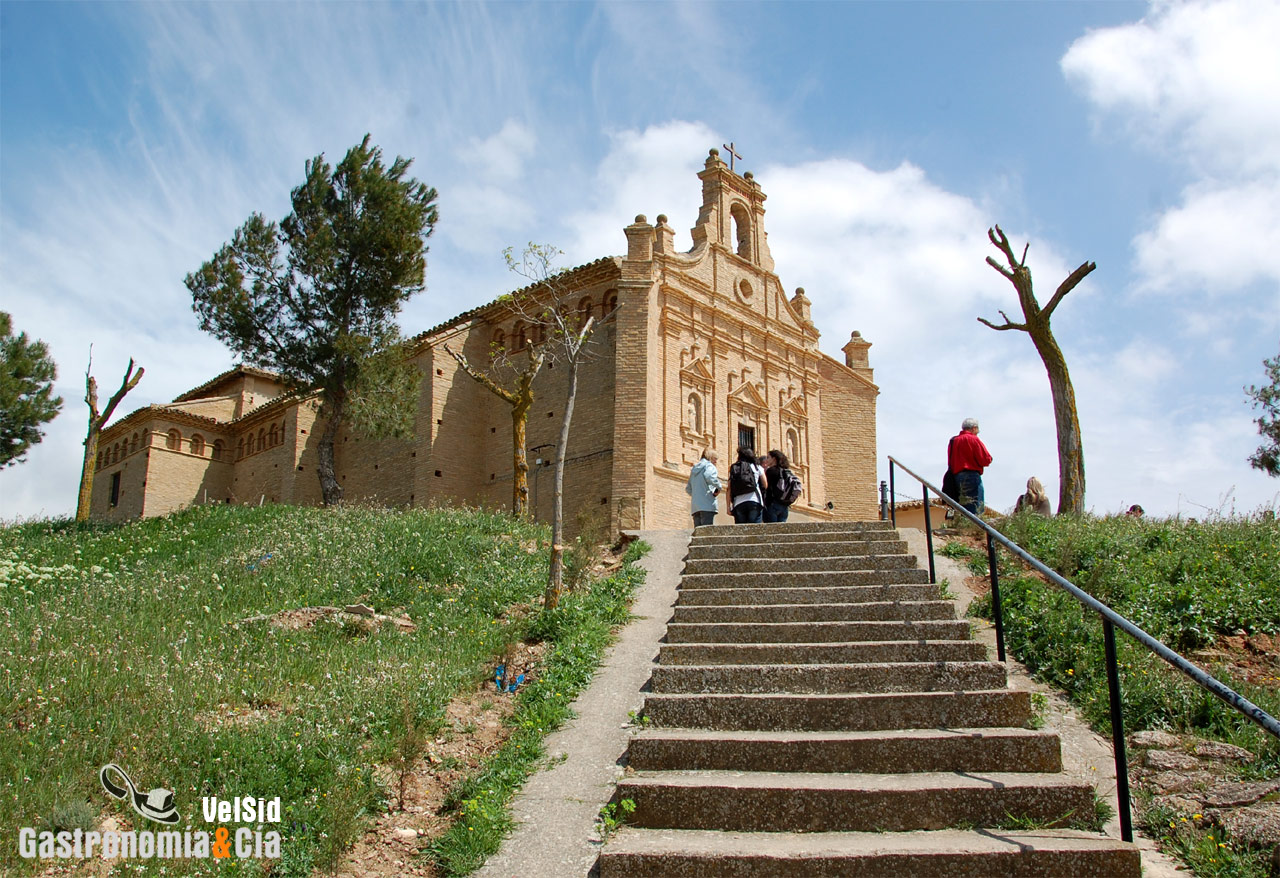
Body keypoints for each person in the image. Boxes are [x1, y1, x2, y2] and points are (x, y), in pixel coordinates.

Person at [947, 417, 992, 515]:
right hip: (971, 475)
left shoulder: (954, 440)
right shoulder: (973, 439)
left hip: (956, 477)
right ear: (974, 428)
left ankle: (964, 521)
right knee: (975, 506)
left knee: (963, 505)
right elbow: (985, 459)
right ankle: (974, 523)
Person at [727, 445, 767, 524]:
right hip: (754, 500)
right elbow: (765, 484)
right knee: (754, 529)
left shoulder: (735, 468)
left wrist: (728, 507)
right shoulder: (757, 467)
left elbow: (729, 489)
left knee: (741, 529)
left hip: (738, 503)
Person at [686, 448, 721, 528]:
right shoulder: (709, 466)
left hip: (695, 507)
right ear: (710, 457)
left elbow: (688, 489)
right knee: (706, 531)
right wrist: (719, 487)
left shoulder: (694, 469)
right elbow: (709, 476)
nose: (716, 462)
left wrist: (697, 494)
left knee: (698, 532)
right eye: (715, 458)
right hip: (707, 505)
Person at [763, 449, 793, 523]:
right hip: (784, 506)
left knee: (772, 528)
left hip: (773, 504)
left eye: (768, 457)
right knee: (782, 528)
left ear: (774, 459)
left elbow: (766, 487)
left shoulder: (771, 471)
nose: (766, 460)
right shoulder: (785, 471)